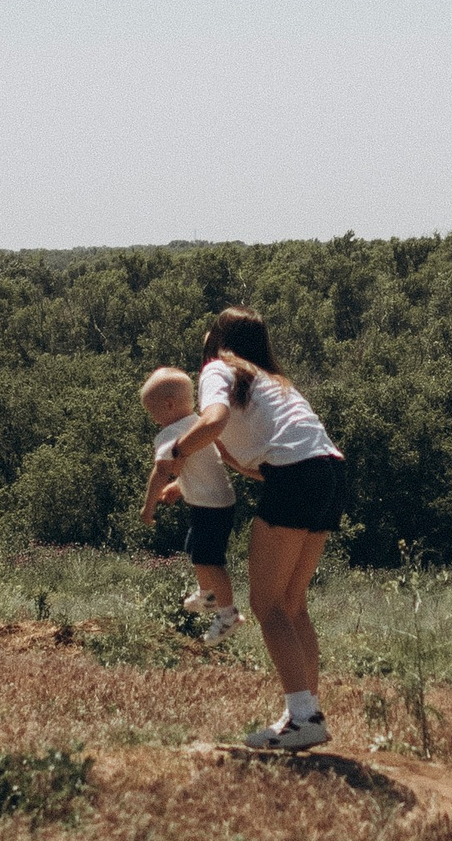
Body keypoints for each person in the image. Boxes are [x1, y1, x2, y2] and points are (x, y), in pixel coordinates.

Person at [154, 306, 347, 750]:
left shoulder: (218, 367)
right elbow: (252, 462)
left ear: (219, 339)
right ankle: (306, 713)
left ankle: (303, 718)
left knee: (268, 604)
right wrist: (189, 481)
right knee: (292, 603)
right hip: (331, 472)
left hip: (297, 475)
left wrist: (176, 452)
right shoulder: (272, 381)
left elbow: (214, 420)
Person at [138, 366, 242, 642]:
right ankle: (206, 595)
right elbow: (201, 470)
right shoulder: (197, 425)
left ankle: (228, 614)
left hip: (210, 506)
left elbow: (160, 471)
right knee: (195, 550)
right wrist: (179, 487)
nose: (154, 420)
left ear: (169, 405)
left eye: (153, 413)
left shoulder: (169, 433)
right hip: (216, 501)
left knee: (210, 559)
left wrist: (148, 508)